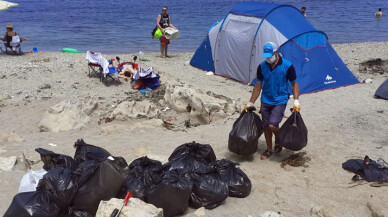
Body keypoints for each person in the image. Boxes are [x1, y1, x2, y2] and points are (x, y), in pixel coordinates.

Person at [245, 42, 300, 160]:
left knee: (272, 124)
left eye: (270, 55)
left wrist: (296, 101)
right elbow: (258, 86)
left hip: (280, 100)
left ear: (276, 52)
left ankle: (280, 139)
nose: (268, 58)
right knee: (266, 126)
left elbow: (294, 84)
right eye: (266, 56)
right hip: (266, 99)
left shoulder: (287, 66)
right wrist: (250, 102)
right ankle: (269, 149)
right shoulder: (262, 67)